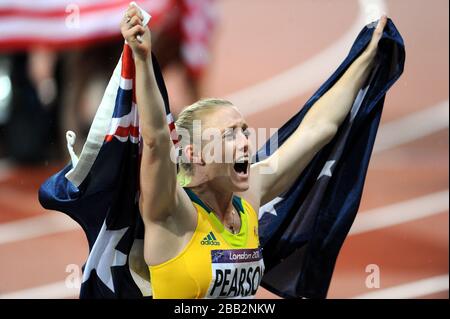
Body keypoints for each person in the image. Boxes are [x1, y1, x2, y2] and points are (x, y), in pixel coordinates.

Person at [120, 3, 387, 299]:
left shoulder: (248, 199)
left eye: (244, 131)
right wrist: (143, 59)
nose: (246, 141)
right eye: (229, 135)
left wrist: (368, 58)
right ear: (195, 153)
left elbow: (317, 129)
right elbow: (157, 139)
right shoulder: (172, 211)